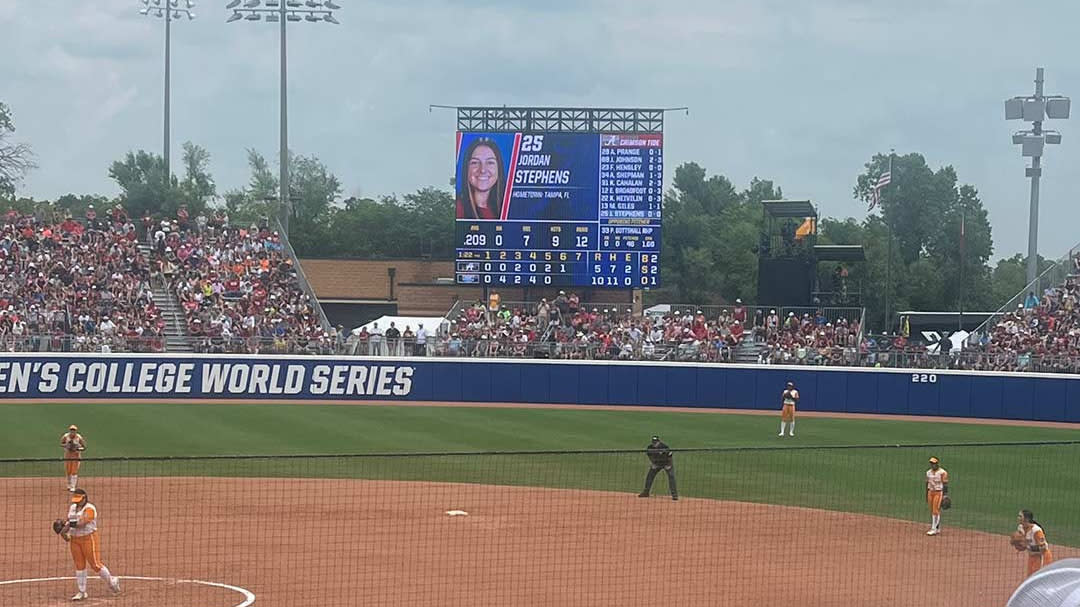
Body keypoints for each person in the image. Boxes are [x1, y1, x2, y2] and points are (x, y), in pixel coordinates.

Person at [63, 489, 121, 600]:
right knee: (79, 565)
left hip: (89, 539)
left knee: (95, 564)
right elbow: (69, 522)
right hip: (75, 540)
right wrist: (62, 531)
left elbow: (81, 523)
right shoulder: (72, 508)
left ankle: (112, 582)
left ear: (84, 498)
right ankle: (82, 592)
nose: (76, 502)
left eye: (79, 500)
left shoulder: (90, 509)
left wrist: (67, 525)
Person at [456, 138, 506, 220]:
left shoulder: (510, 209)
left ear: (499, 168)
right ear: (466, 168)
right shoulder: (459, 209)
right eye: (475, 162)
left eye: (490, 162)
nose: (482, 170)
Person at [638, 435, 678, 500]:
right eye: (653, 442)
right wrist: (653, 463)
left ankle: (674, 495)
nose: (654, 444)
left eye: (656, 442)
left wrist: (669, 465)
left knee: (671, 476)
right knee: (650, 475)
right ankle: (646, 492)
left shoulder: (664, 447)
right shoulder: (650, 448)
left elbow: (670, 456)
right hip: (657, 463)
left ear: (659, 442)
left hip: (666, 463)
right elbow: (650, 456)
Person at [1016, 509, 1054, 577]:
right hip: (1032, 557)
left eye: (1020, 516)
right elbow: (1025, 543)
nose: (1018, 518)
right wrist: (1020, 546)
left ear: (1026, 519)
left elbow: (1044, 549)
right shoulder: (1020, 528)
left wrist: (1033, 553)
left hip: (1042, 557)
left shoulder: (1036, 530)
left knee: (1039, 578)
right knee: (1030, 578)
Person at [924, 456, 949, 535]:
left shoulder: (943, 472)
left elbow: (945, 484)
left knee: (935, 510)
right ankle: (937, 528)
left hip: (938, 492)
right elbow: (927, 483)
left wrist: (945, 495)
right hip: (930, 492)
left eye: (934, 463)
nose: (932, 465)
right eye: (931, 463)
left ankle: (933, 528)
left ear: (937, 464)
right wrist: (926, 493)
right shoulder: (928, 472)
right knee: (932, 510)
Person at [60, 425, 86, 492]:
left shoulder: (79, 437)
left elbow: (84, 447)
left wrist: (77, 448)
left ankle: (73, 486)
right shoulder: (66, 436)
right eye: (71, 430)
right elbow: (61, 443)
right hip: (68, 455)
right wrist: (67, 446)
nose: (72, 432)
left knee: (74, 471)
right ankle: (69, 484)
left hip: (76, 456)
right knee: (68, 471)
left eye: (73, 430)